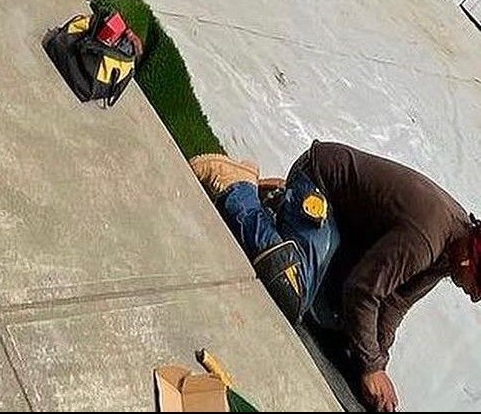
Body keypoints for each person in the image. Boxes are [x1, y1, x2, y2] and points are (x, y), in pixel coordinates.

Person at [190, 141, 481, 413]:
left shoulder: (450, 253)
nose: (474, 296)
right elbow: (362, 291)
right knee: (293, 287)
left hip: (346, 227)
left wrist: (376, 365)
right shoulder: (427, 238)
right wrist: (371, 367)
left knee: (336, 324)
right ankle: (236, 186)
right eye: (478, 287)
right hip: (319, 180)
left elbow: (394, 303)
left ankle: (280, 210)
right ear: (471, 261)